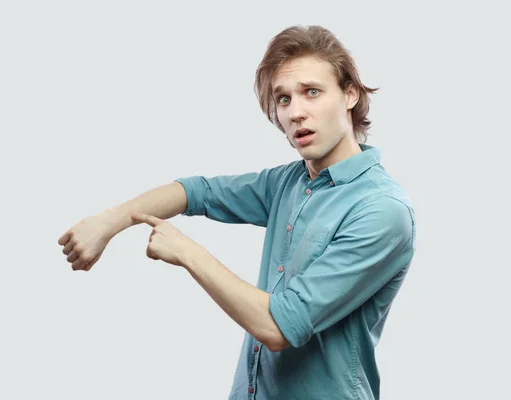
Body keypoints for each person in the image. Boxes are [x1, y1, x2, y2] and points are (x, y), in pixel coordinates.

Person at [58, 25, 416, 400]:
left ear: (349, 95)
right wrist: (108, 223)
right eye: (283, 99)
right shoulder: (288, 183)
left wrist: (187, 252)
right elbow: (197, 191)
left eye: (312, 92)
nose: (296, 112)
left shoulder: (381, 211)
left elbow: (279, 327)